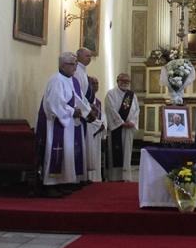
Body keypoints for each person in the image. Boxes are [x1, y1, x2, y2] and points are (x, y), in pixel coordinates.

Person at [35, 52, 93, 197]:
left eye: (75, 64)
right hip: (56, 123)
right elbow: (54, 103)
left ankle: (62, 182)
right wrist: (72, 111)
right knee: (55, 152)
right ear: (62, 65)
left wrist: (87, 112)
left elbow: (78, 99)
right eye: (72, 64)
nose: (75, 67)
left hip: (67, 123)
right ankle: (50, 185)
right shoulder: (56, 80)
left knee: (66, 154)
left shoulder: (70, 80)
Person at [74, 48, 106, 182]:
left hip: (84, 112)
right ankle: (79, 177)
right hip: (79, 114)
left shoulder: (82, 71)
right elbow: (77, 95)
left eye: (90, 56)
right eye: (87, 56)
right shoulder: (77, 71)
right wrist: (88, 109)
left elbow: (82, 95)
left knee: (85, 145)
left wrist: (89, 105)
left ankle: (83, 176)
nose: (89, 58)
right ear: (78, 56)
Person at [103, 72, 139, 181]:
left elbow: (137, 110)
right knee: (116, 152)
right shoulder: (111, 94)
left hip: (128, 129)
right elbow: (110, 109)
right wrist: (121, 122)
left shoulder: (132, 95)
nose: (125, 83)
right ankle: (115, 176)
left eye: (127, 81)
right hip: (116, 128)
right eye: (123, 81)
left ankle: (126, 176)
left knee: (127, 152)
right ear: (117, 81)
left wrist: (132, 122)